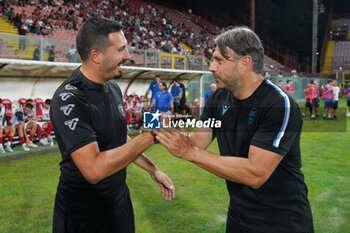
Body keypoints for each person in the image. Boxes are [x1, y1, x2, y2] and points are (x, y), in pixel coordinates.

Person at [155, 26, 314, 233]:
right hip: (239, 219)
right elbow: (196, 141)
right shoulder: (217, 99)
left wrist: (190, 153)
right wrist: (164, 131)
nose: (211, 67)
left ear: (245, 63)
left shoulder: (279, 104)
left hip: (283, 222)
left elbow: (255, 174)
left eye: (219, 60)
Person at [50, 17, 174, 233]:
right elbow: (94, 170)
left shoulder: (113, 87)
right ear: (96, 56)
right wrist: (148, 137)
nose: (127, 56)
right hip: (82, 214)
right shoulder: (68, 99)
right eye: (121, 50)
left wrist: (153, 169)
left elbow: (119, 139)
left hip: (118, 205)